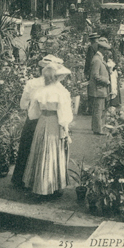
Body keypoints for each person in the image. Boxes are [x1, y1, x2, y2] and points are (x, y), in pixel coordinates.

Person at [11, 55, 64, 189]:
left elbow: (23, 104)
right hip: (51, 120)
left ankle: (20, 179)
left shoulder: (32, 83)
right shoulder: (56, 84)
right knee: (47, 151)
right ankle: (44, 183)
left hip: (33, 119)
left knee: (26, 147)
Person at [22, 63, 73, 196]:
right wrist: (65, 128)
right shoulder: (61, 92)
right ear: (56, 77)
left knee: (40, 151)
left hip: (42, 122)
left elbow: (33, 114)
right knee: (52, 151)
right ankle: (52, 186)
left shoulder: (39, 91)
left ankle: (39, 186)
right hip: (54, 123)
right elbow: (64, 115)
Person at [89, 37, 112, 135]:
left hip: (100, 89)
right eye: (106, 50)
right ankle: (98, 129)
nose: (107, 52)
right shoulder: (97, 60)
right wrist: (106, 81)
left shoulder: (99, 58)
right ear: (101, 49)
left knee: (98, 109)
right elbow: (95, 76)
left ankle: (96, 127)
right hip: (98, 89)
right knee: (98, 110)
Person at [84, 32, 100, 114]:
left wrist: (86, 72)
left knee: (91, 89)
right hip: (101, 69)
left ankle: (91, 109)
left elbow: (89, 60)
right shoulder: (101, 46)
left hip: (93, 70)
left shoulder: (91, 47)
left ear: (91, 40)